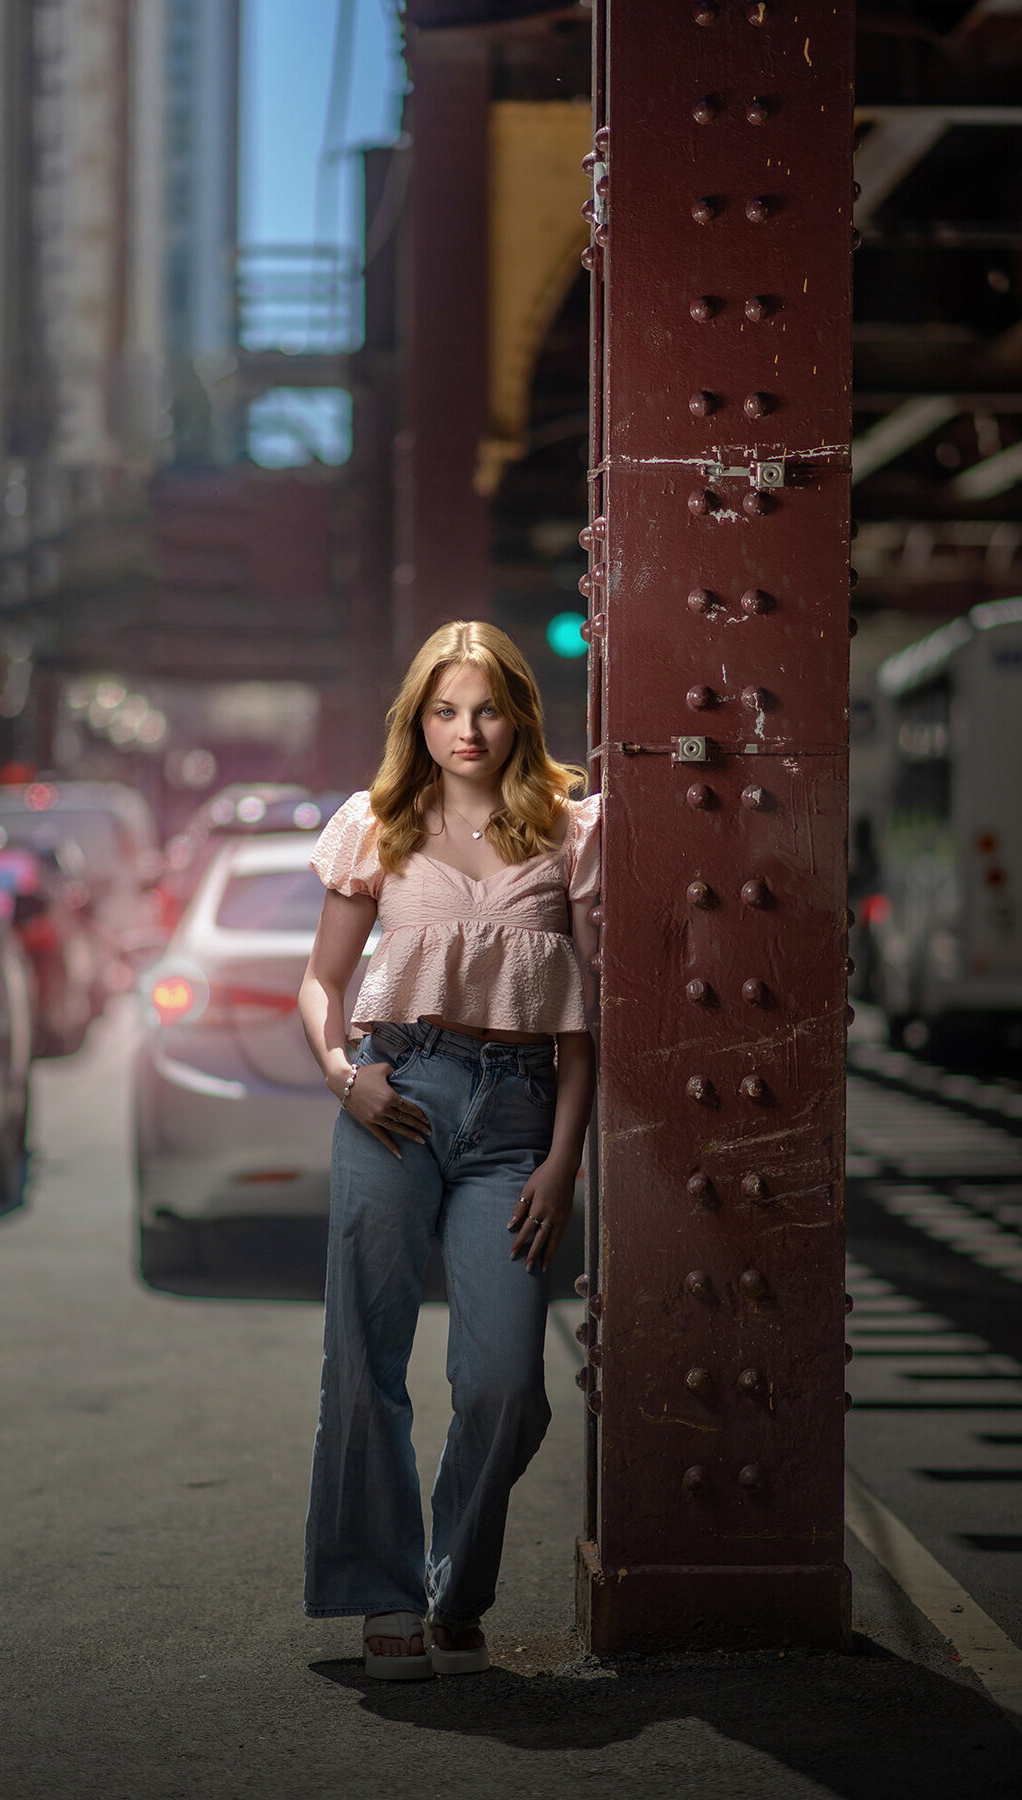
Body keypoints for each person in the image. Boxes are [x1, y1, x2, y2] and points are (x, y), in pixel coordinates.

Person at [297, 620, 600, 1681]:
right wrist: (347, 1074)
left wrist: (565, 1162)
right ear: (416, 720)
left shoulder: (572, 832)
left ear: (519, 711)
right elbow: (323, 988)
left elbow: (581, 1026)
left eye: (485, 708)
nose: (466, 730)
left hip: (517, 1124)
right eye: (443, 710)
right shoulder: (377, 824)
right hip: (397, 1097)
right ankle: (384, 1599)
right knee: (365, 1357)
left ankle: (455, 1585)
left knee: (508, 1380)